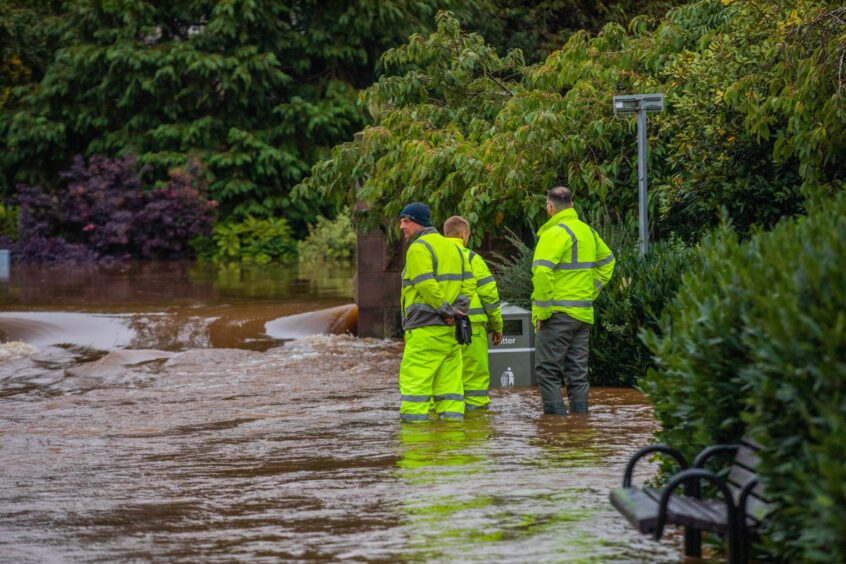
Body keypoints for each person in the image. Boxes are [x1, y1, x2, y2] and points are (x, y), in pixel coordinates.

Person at [531, 186, 615, 415]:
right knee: (577, 374)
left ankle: (555, 428)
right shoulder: (587, 231)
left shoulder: (554, 233)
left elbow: (541, 272)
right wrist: (590, 291)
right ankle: (580, 425)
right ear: (572, 203)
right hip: (583, 315)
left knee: (547, 371)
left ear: (549, 207)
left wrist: (543, 312)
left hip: (557, 315)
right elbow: (608, 263)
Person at [398, 202, 475, 422]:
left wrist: (448, 312)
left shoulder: (419, 248)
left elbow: (426, 286)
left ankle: (416, 448)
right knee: (450, 391)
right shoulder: (455, 248)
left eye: (406, 221)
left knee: (415, 389)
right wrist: (458, 312)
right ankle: (452, 446)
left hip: (425, 331)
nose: (402, 226)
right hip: (450, 333)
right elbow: (469, 283)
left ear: (418, 222)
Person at [443, 215, 503, 411]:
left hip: (440, 326)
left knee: (446, 379)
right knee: (474, 383)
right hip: (472, 327)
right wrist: (497, 326)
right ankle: (475, 431)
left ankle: (448, 429)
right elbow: (489, 295)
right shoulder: (471, 258)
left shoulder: (435, 258)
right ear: (464, 234)